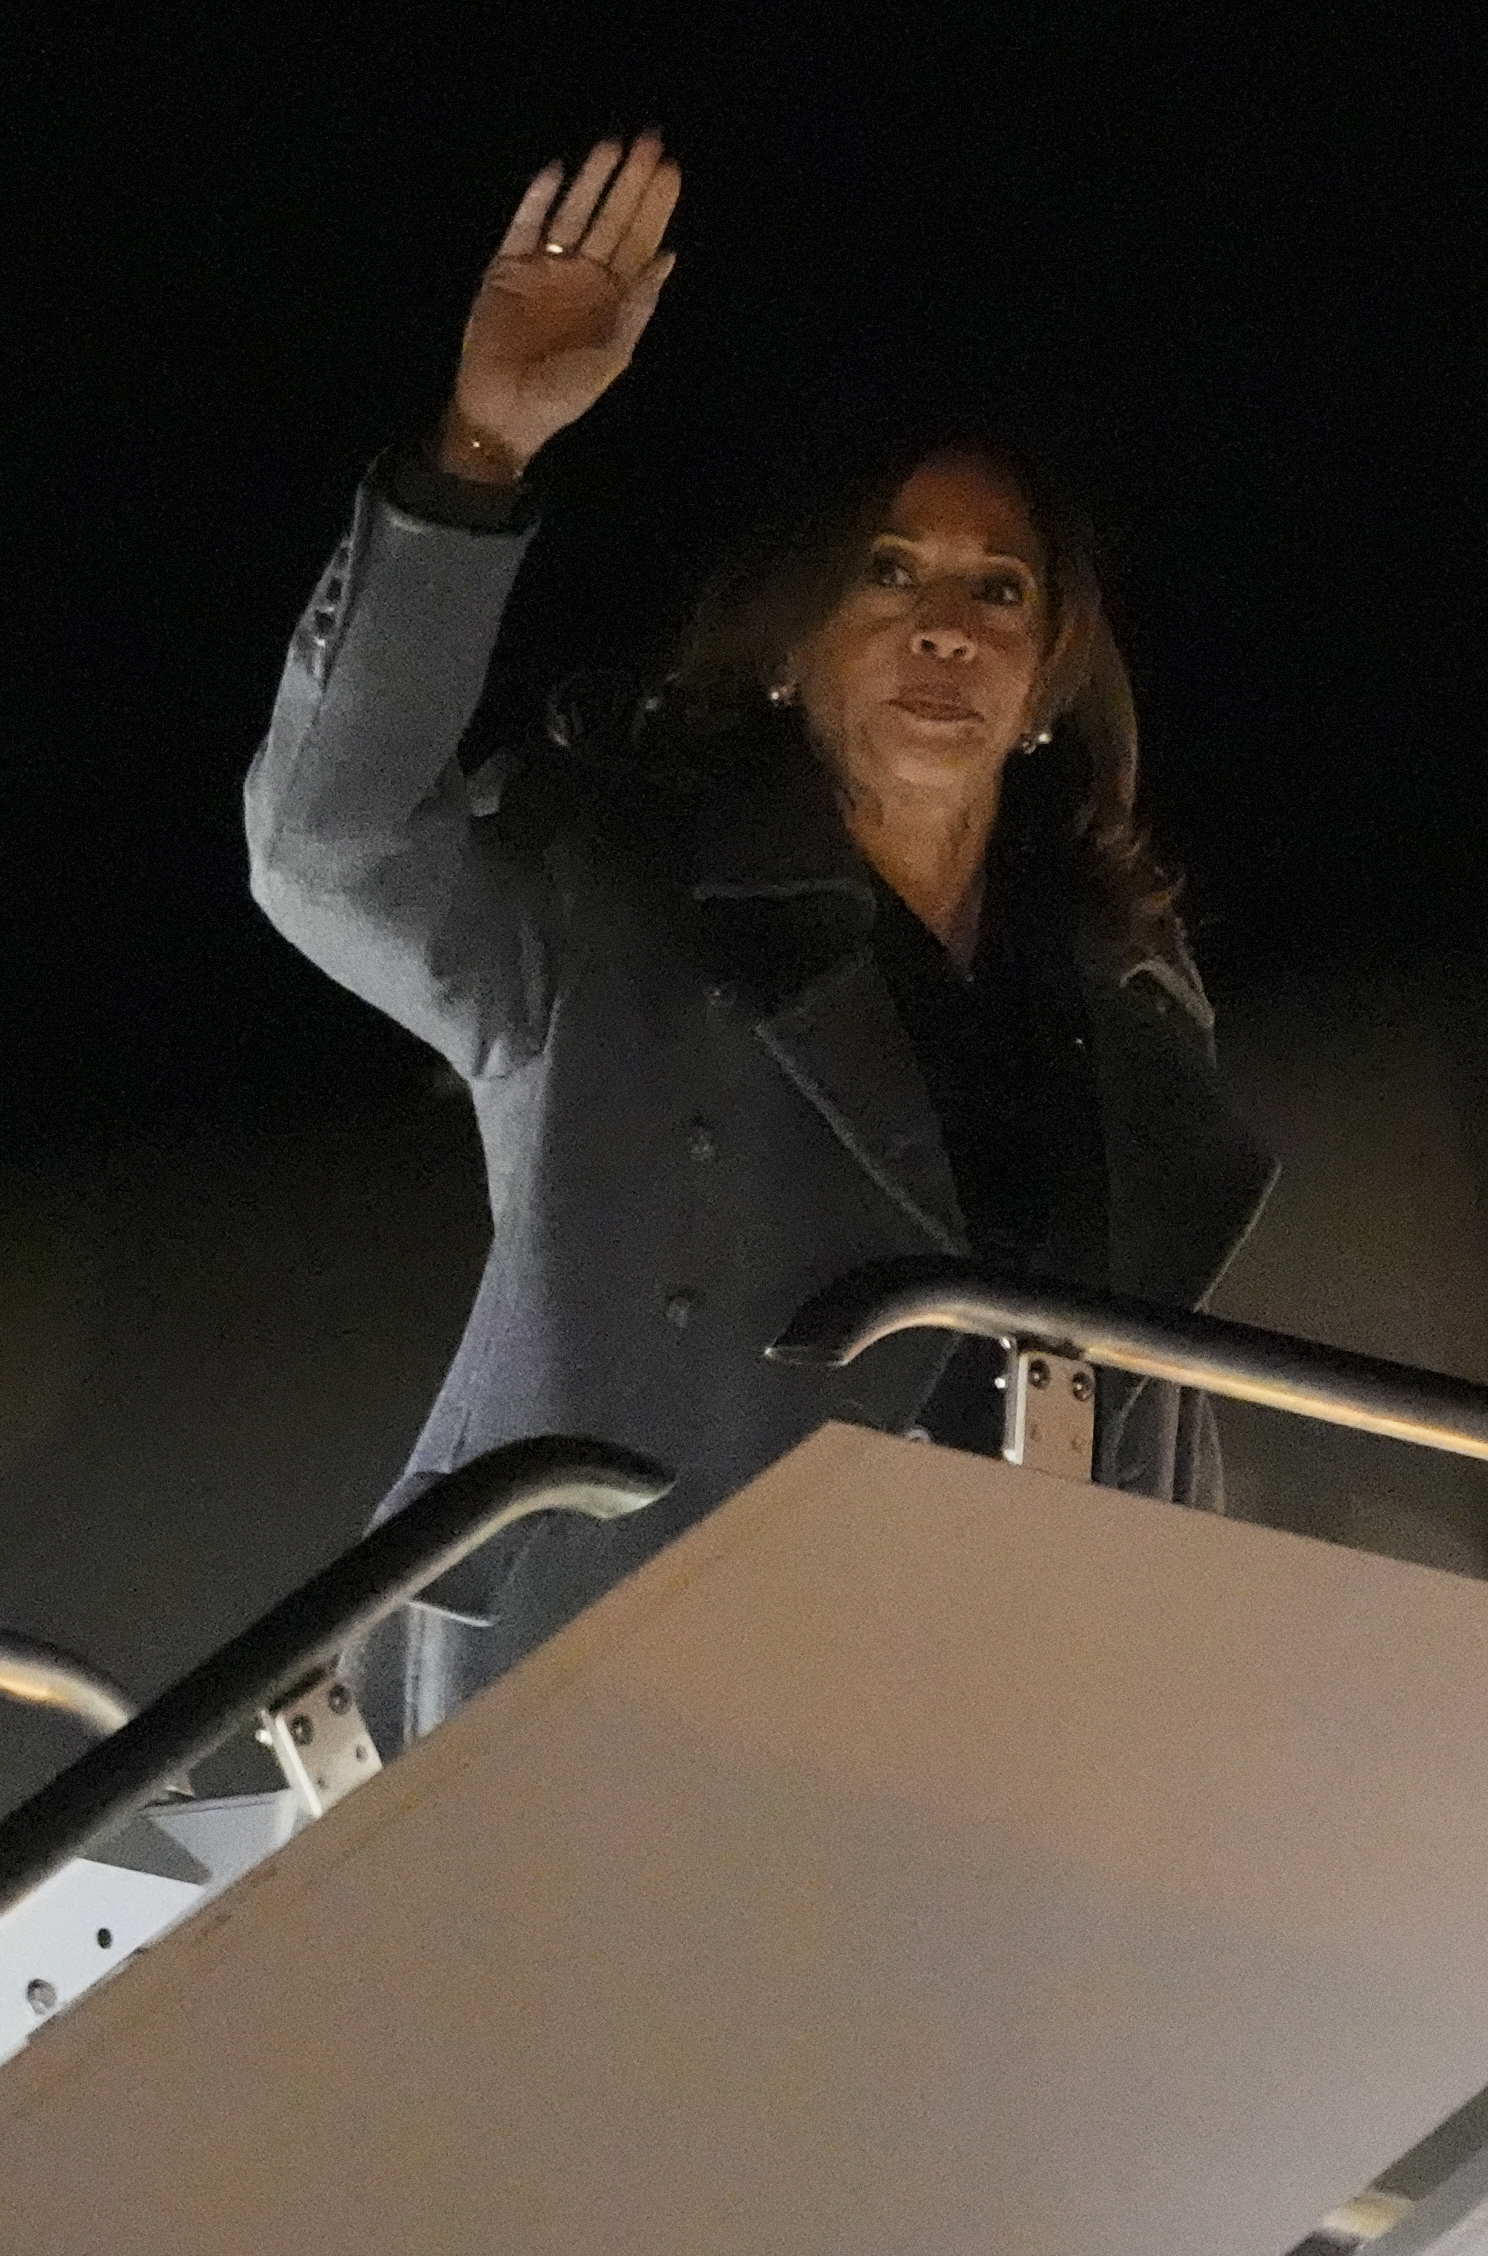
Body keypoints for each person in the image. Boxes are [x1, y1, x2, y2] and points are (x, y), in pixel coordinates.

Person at [244, 131, 1276, 1737]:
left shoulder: (1130, 984)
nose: (946, 621)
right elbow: (328, 846)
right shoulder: (617, 895)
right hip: (625, 1679)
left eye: (998, 591)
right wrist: (477, 457)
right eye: (889, 573)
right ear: (793, 641)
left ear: (1048, 674)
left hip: (1014, 1709)